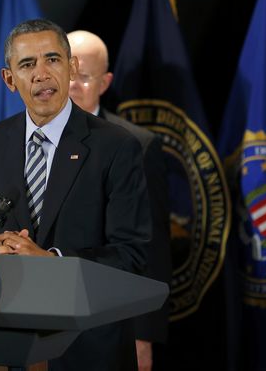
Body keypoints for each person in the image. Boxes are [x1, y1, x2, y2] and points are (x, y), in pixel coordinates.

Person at [0, 19, 152, 370]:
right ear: (9, 80)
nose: (41, 73)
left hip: (86, 348)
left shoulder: (115, 147)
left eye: (51, 59)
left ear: (72, 67)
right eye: (26, 64)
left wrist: (52, 260)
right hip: (6, 345)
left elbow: (132, 255)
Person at [67, 30, 172, 371]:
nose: (71, 85)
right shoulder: (28, 140)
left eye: (82, 77)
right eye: (66, 73)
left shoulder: (137, 146)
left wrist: (143, 336)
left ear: (105, 81)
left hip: (110, 326)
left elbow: (151, 250)